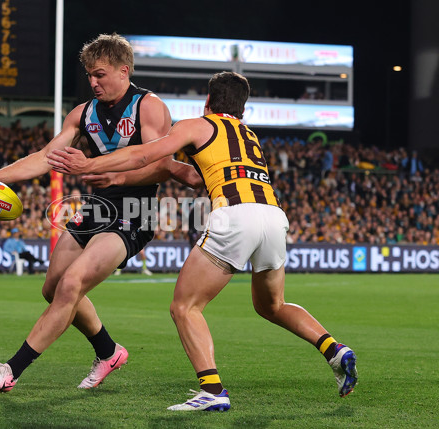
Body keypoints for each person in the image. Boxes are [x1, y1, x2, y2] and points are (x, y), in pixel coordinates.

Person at [48, 71, 358, 411]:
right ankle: (333, 349)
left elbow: (145, 155)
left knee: (184, 307)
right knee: (273, 305)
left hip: (235, 215)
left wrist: (90, 163)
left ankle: (212, 391)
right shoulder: (249, 134)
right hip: (273, 216)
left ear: (208, 101)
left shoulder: (196, 124)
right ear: (243, 108)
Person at [0, 33, 201, 393]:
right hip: (99, 207)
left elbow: (161, 164)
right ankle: (108, 351)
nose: (93, 82)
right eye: (89, 75)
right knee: (52, 287)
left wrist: (110, 171)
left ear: (124, 70)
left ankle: (10, 370)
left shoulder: (147, 107)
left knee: (72, 283)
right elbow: (46, 157)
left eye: (99, 74)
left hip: (135, 209)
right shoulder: (83, 113)